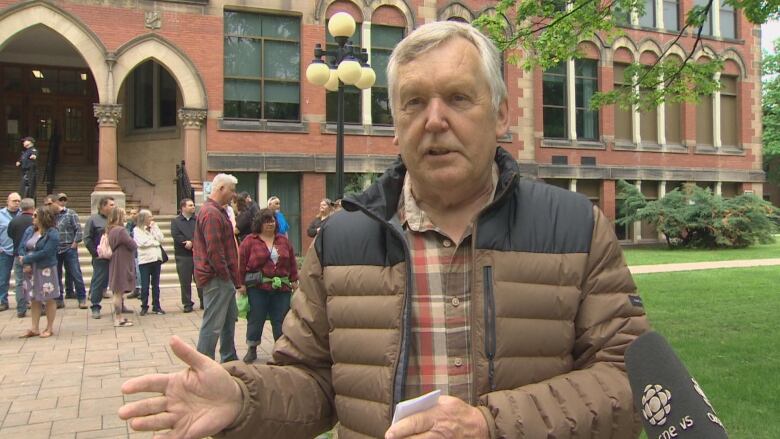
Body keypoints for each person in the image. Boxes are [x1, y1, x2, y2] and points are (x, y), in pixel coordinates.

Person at [119, 22, 649, 438]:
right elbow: (313, 381)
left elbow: (630, 380)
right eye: (414, 102)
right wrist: (242, 399)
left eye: (459, 98)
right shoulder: (343, 241)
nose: (434, 120)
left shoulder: (575, 227)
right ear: (395, 122)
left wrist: (491, 425)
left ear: (503, 114)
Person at [237, 208, 298, 363]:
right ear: (259, 223)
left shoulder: (283, 240)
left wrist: (294, 279)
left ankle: (281, 349)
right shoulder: (250, 241)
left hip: (281, 288)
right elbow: (241, 263)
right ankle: (252, 348)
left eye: (272, 220)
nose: (270, 223)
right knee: (256, 317)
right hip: (258, 287)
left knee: (280, 319)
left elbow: (291, 261)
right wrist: (241, 284)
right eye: (266, 221)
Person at [192, 173, 241, 363]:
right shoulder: (211, 213)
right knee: (213, 324)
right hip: (217, 278)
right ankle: (202, 363)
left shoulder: (216, 211)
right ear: (221, 189)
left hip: (222, 277)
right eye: (232, 190)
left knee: (229, 320)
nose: (233, 194)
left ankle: (229, 358)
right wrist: (225, 275)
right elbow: (214, 251)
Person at [18, 207, 60, 338]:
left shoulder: (52, 233)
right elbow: (21, 246)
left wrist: (27, 258)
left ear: (43, 217)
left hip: (46, 268)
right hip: (30, 269)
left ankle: (49, 327)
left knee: (48, 298)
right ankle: (34, 328)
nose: (32, 218)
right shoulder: (30, 230)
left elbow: (47, 252)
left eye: (35, 216)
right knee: (34, 298)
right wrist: (25, 262)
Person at [46, 193, 88, 310]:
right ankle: (59, 299)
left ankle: (82, 298)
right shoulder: (50, 216)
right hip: (55, 249)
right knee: (56, 275)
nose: (48, 206)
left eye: (50, 204)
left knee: (76, 273)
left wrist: (75, 243)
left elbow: (78, 230)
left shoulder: (70, 213)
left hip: (69, 247)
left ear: (56, 202)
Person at [83, 196, 115, 319]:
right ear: (103, 206)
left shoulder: (115, 219)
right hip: (100, 257)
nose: (114, 206)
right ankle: (95, 306)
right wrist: (95, 253)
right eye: (111, 204)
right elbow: (87, 238)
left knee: (118, 280)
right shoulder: (93, 220)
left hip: (115, 256)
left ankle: (120, 305)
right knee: (99, 281)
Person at [171, 198, 203, 313]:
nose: (193, 207)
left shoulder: (197, 219)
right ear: (183, 207)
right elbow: (175, 234)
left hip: (198, 254)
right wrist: (185, 242)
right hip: (183, 255)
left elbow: (201, 232)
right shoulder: (176, 222)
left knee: (200, 279)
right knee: (185, 280)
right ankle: (187, 303)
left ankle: (203, 301)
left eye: (193, 205)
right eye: (190, 205)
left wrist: (193, 242)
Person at [107, 208, 137, 327]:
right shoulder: (120, 230)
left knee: (117, 291)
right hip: (121, 261)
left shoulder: (111, 229)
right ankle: (118, 318)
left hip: (116, 259)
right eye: (124, 214)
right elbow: (132, 244)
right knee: (118, 292)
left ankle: (119, 317)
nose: (126, 216)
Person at [134, 209, 165, 316]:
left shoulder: (154, 227)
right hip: (145, 261)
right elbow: (142, 243)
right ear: (144, 218)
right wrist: (155, 242)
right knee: (145, 284)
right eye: (150, 217)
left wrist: (155, 229)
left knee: (156, 284)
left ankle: (156, 306)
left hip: (156, 259)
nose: (152, 219)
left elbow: (161, 239)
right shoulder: (137, 230)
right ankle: (144, 306)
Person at [7, 197, 33, 317]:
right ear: (32, 207)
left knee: (19, 282)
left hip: (18, 254)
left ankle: (21, 309)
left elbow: (10, 234)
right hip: (33, 254)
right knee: (36, 280)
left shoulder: (14, 221)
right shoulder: (35, 221)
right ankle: (40, 305)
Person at [0, 192, 22, 312]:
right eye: (14, 201)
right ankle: (3, 301)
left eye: (18, 201)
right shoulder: (0, 215)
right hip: (5, 251)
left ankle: (23, 301)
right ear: (8, 201)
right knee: (3, 278)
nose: (17, 203)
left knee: (21, 279)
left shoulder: (22, 214)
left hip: (19, 251)